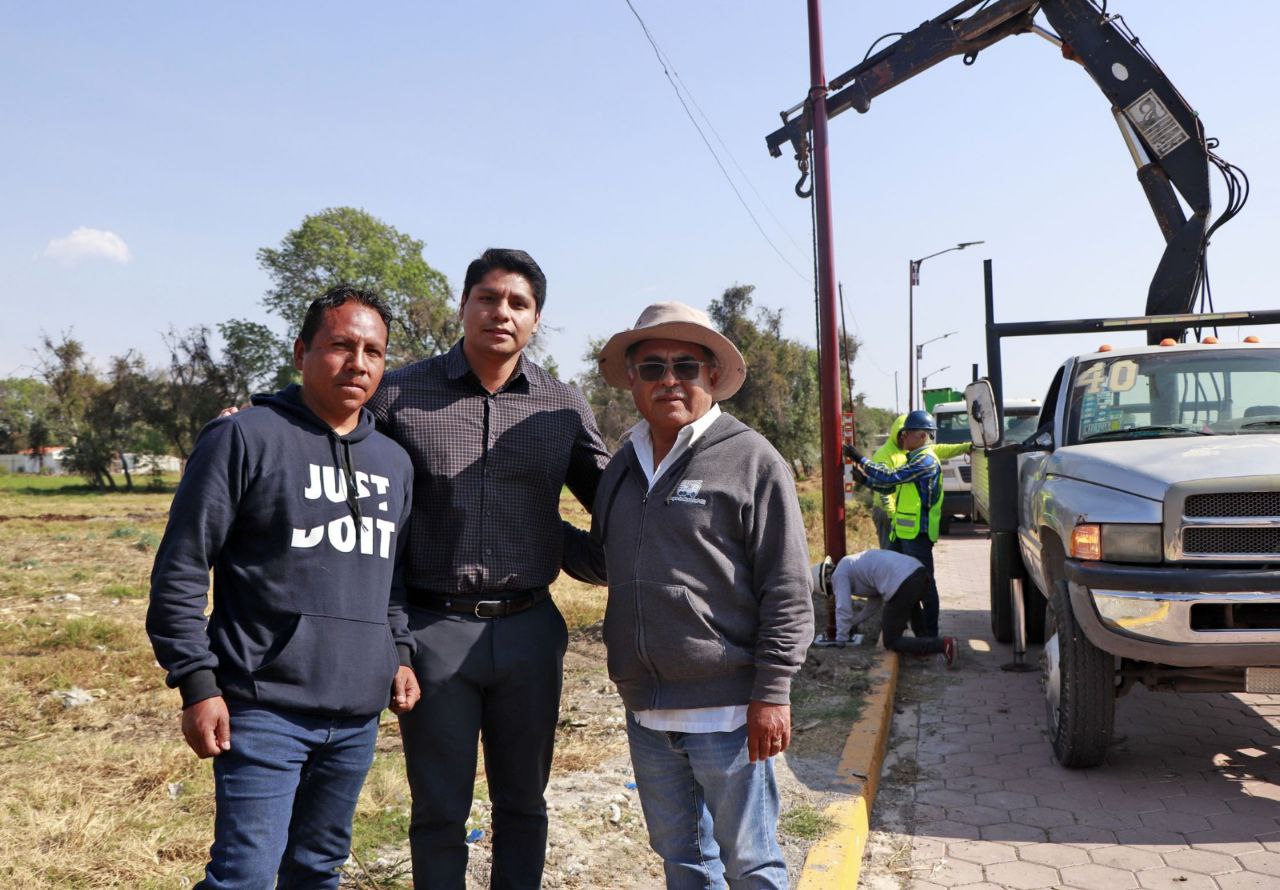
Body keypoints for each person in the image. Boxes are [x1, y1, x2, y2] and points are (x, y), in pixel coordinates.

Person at [146, 285, 420, 890]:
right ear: (301, 351)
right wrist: (196, 682)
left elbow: (391, 580)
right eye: (340, 346)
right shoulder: (244, 437)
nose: (358, 363)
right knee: (244, 877)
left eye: (373, 352)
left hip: (355, 716)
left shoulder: (394, 463)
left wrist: (397, 653)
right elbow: (182, 567)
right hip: (262, 706)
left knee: (317, 871)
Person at [367, 248, 610, 889]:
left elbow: (617, 506)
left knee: (525, 806)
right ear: (465, 305)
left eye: (518, 304)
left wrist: (567, 547)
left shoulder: (561, 407)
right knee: (440, 810)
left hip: (530, 630)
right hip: (432, 630)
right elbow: (336, 446)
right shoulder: (398, 395)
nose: (501, 312)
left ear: (536, 321)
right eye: (489, 298)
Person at [579, 301, 814, 889]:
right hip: (648, 712)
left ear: (712, 376)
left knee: (753, 864)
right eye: (652, 367)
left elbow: (787, 586)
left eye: (686, 366)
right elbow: (608, 562)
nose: (669, 380)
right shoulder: (622, 466)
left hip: (731, 712)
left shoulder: (751, 459)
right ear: (631, 379)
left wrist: (773, 693)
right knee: (683, 863)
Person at [846, 409, 944, 638]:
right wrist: (866, 480)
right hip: (903, 534)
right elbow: (892, 486)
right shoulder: (915, 459)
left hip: (917, 536)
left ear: (922, 436)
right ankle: (912, 629)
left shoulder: (926, 461)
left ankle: (930, 636)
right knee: (900, 582)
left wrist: (861, 459)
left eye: (907, 433)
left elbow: (891, 477)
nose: (903, 438)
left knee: (925, 586)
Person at [817, 552, 957, 666]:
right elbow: (875, 603)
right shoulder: (852, 566)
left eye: (830, 590)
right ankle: (923, 645)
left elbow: (843, 608)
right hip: (918, 574)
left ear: (827, 580)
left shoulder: (838, 575)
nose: (834, 591)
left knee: (891, 640)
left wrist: (841, 639)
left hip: (904, 582)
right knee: (910, 605)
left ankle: (943, 645)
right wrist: (855, 622)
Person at [868, 413, 971, 549]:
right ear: (896, 433)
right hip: (886, 513)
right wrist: (892, 514)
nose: (904, 438)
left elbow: (941, 449)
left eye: (907, 434)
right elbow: (884, 487)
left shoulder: (913, 451)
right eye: (903, 434)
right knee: (890, 554)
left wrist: (966, 447)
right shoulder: (885, 454)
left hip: (901, 514)